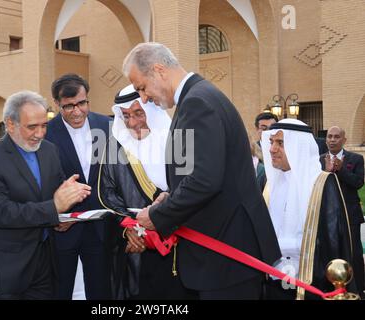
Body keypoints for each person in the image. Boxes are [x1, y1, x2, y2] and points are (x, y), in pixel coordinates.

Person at [124, 42, 281, 299]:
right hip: (223, 253)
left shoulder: (197, 103)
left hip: (226, 253)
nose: (143, 98)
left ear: (159, 70)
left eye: (142, 87)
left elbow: (205, 180)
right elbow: (202, 172)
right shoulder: (199, 97)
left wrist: (158, 214)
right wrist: (170, 196)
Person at [0, 91, 92, 299]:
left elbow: (55, 193)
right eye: (32, 127)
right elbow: (1, 212)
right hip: (1, 263)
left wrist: (67, 210)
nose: (40, 133)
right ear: (10, 124)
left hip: (45, 260)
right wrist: (53, 209)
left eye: (44, 125)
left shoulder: (49, 151)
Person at [99, 84, 194, 299]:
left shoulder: (175, 140)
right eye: (125, 116)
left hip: (175, 239)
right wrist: (129, 230)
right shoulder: (115, 146)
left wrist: (166, 209)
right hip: (134, 244)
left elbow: (192, 186)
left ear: (151, 111)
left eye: (138, 113)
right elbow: (106, 195)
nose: (132, 123)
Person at [261, 119, 357, 300]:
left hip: (312, 284)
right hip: (271, 281)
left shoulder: (322, 183)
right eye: (271, 142)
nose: (272, 149)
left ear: (298, 147)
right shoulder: (269, 185)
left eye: (280, 143)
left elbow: (333, 241)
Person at [45, 73, 111, 300]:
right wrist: (57, 215)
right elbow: (42, 182)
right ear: (57, 104)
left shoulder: (107, 125)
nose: (77, 111)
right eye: (69, 106)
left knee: (101, 291)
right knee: (60, 290)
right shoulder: (45, 133)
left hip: (101, 228)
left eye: (82, 103)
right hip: (64, 228)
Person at [320, 126, 364, 297]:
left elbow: (358, 183)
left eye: (336, 137)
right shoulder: (320, 159)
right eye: (329, 136)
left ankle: (358, 289)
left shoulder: (356, 159)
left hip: (350, 215)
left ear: (344, 140)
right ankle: (330, 289)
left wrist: (341, 170)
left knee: (353, 253)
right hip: (327, 216)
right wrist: (325, 171)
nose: (332, 139)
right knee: (330, 251)